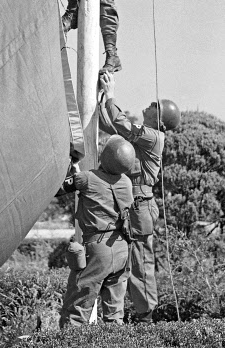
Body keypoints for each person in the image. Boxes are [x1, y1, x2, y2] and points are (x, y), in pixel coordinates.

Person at [98, 71, 181, 323]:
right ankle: (118, 320)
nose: (148, 105)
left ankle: (146, 321)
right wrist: (102, 97)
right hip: (127, 205)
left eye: (154, 106)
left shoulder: (153, 136)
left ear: (160, 119)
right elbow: (109, 124)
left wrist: (111, 95)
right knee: (118, 263)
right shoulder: (144, 136)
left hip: (138, 206)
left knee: (140, 266)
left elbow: (121, 124)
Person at [57, 135, 135, 326]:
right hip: (121, 249)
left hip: (98, 248)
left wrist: (70, 167)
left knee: (77, 308)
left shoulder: (86, 178)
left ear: (105, 156)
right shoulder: (126, 182)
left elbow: (58, 189)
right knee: (115, 313)